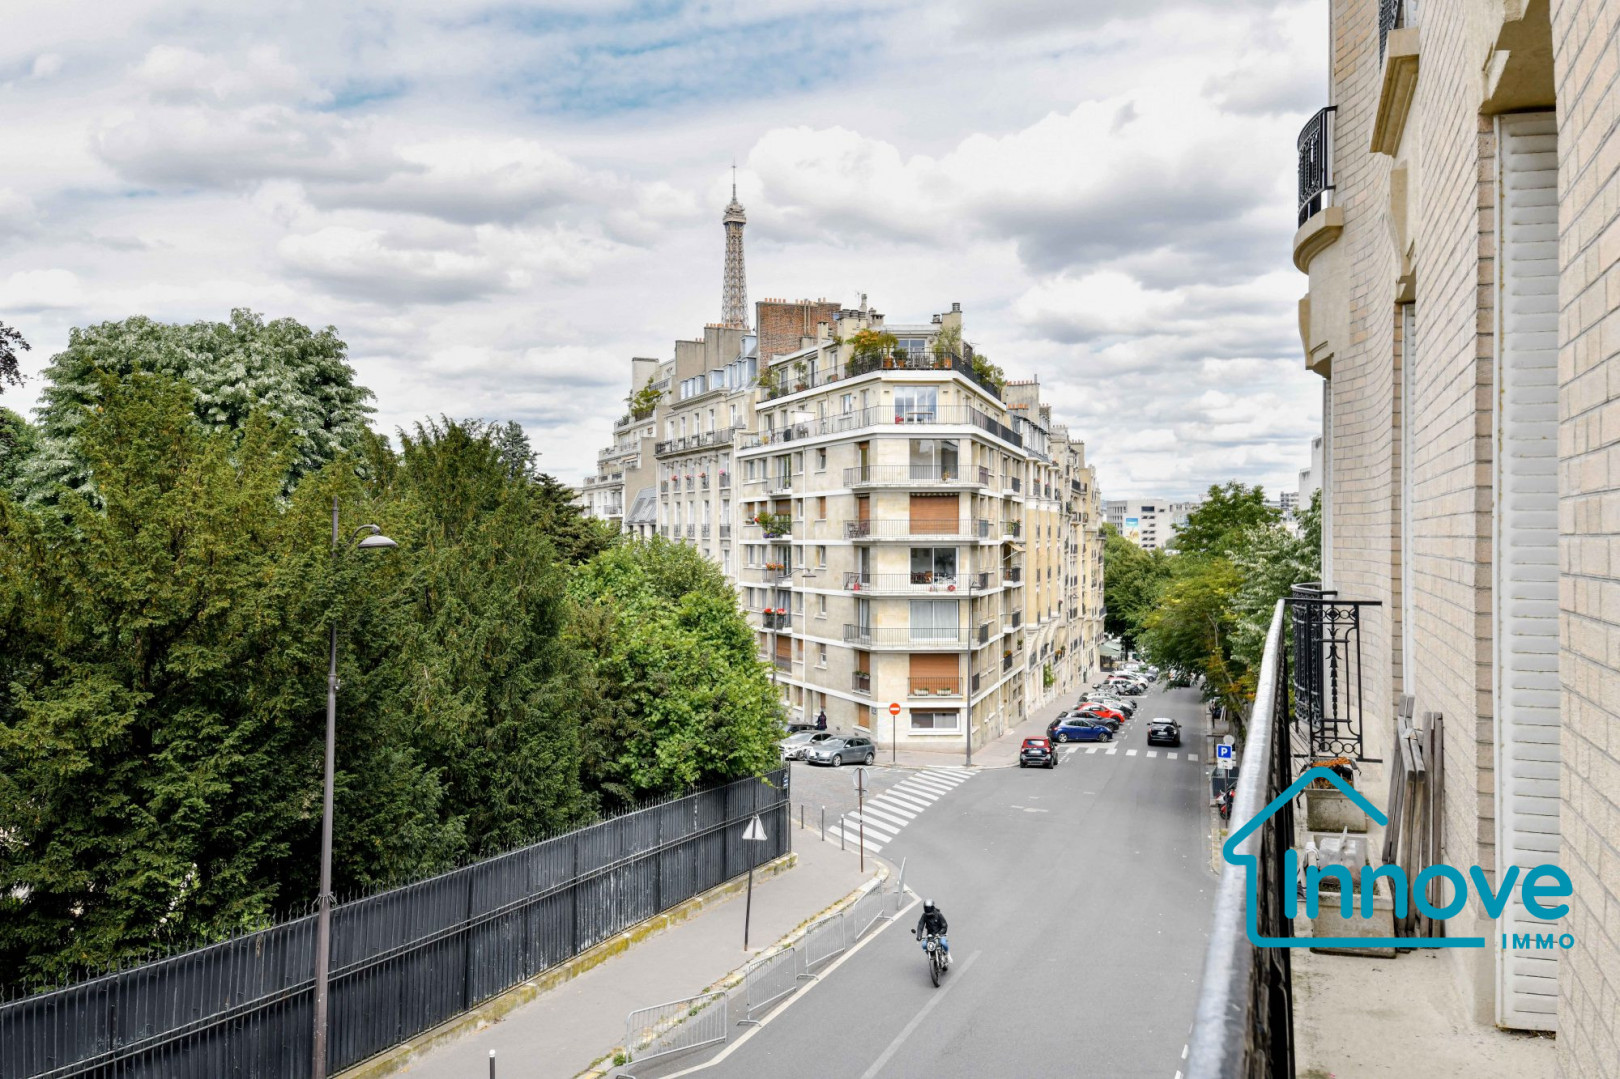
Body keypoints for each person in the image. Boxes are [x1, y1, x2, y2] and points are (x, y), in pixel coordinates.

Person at [914, 899, 950, 967]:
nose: (928, 909)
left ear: (932, 907)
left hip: (939, 934)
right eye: (926, 908)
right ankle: (931, 955)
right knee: (924, 945)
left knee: (944, 943)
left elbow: (944, 925)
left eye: (929, 908)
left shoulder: (939, 914)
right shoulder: (924, 916)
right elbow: (920, 925)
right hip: (930, 936)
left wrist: (940, 933)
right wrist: (919, 935)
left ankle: (947, 955)